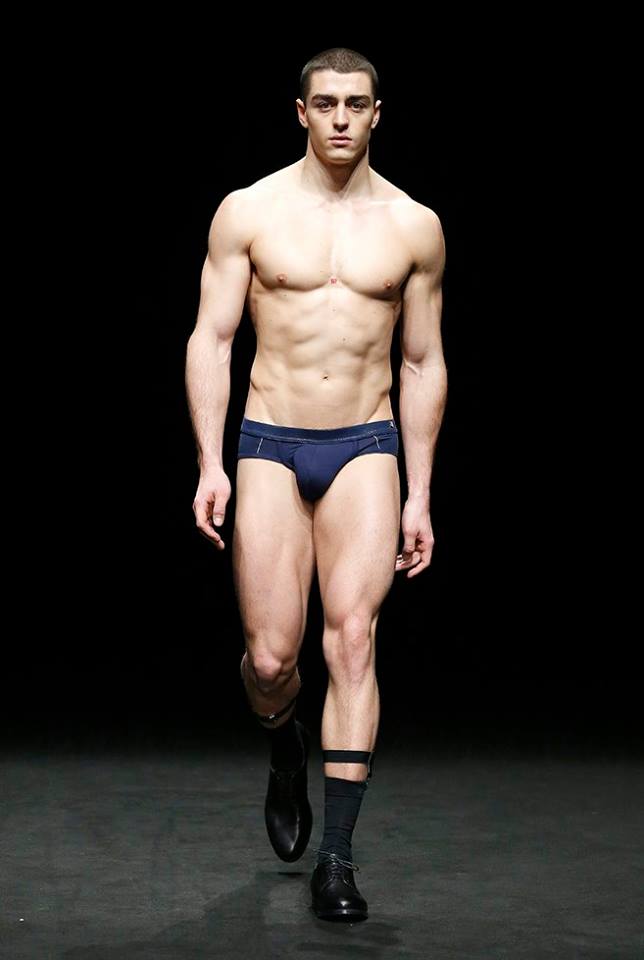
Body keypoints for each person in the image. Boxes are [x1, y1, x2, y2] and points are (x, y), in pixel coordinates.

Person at [185, 46, 447, 923]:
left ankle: (337, 858)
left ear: (378, 113)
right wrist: (211, 461)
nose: (341, 118)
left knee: (353, 642)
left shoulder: (413, 226)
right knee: (271, 661)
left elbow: (422, 361)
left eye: (356, 103)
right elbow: (212, 337)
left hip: (366, 444)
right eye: (326, 103)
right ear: (301, 112)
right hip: (269, 440)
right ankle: (284, 745)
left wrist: (420, 492)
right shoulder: (250, 212)